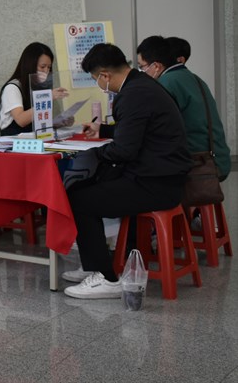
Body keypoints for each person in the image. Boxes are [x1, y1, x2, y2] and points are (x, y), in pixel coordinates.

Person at [63, 43, 191, 299]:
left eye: (96, 79)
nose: (99, 85)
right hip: (165, 176)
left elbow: (124, 151)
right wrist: (103, 131)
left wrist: (91, 152)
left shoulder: (132, 95)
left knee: (80, 199)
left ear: (105, 75)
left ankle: (106, 278)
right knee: (87, 188)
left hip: (156, 184)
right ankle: (94, 264)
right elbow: (137, 129)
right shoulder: (143, 86)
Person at [137, 35, 230, 180]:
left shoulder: (167, 83)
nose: (141, 71)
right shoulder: (195, 78)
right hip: (217, 158)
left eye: (142, 66)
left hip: (196, 163)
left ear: (156, 65)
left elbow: (153, 126)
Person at [0, 42, 69, 135]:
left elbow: (40, 121)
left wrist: (59, 122)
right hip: (15, 141)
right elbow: (21, 120)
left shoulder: (38, 87)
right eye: (42, 67)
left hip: (36, 139)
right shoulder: (12, 88)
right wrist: (47, 98)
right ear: (30, 65)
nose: (46, 71)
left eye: (49, 67)